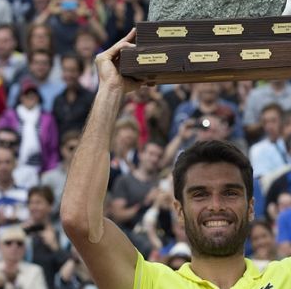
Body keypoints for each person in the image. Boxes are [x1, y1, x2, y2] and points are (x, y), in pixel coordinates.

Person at [60, 30, 291, 289]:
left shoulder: (284, 276)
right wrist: (110, 89)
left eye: (230, 192)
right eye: (200, 194)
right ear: (178, 210)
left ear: (250, 207)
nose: (216, 205)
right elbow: (79, 220)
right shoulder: (153, 282)